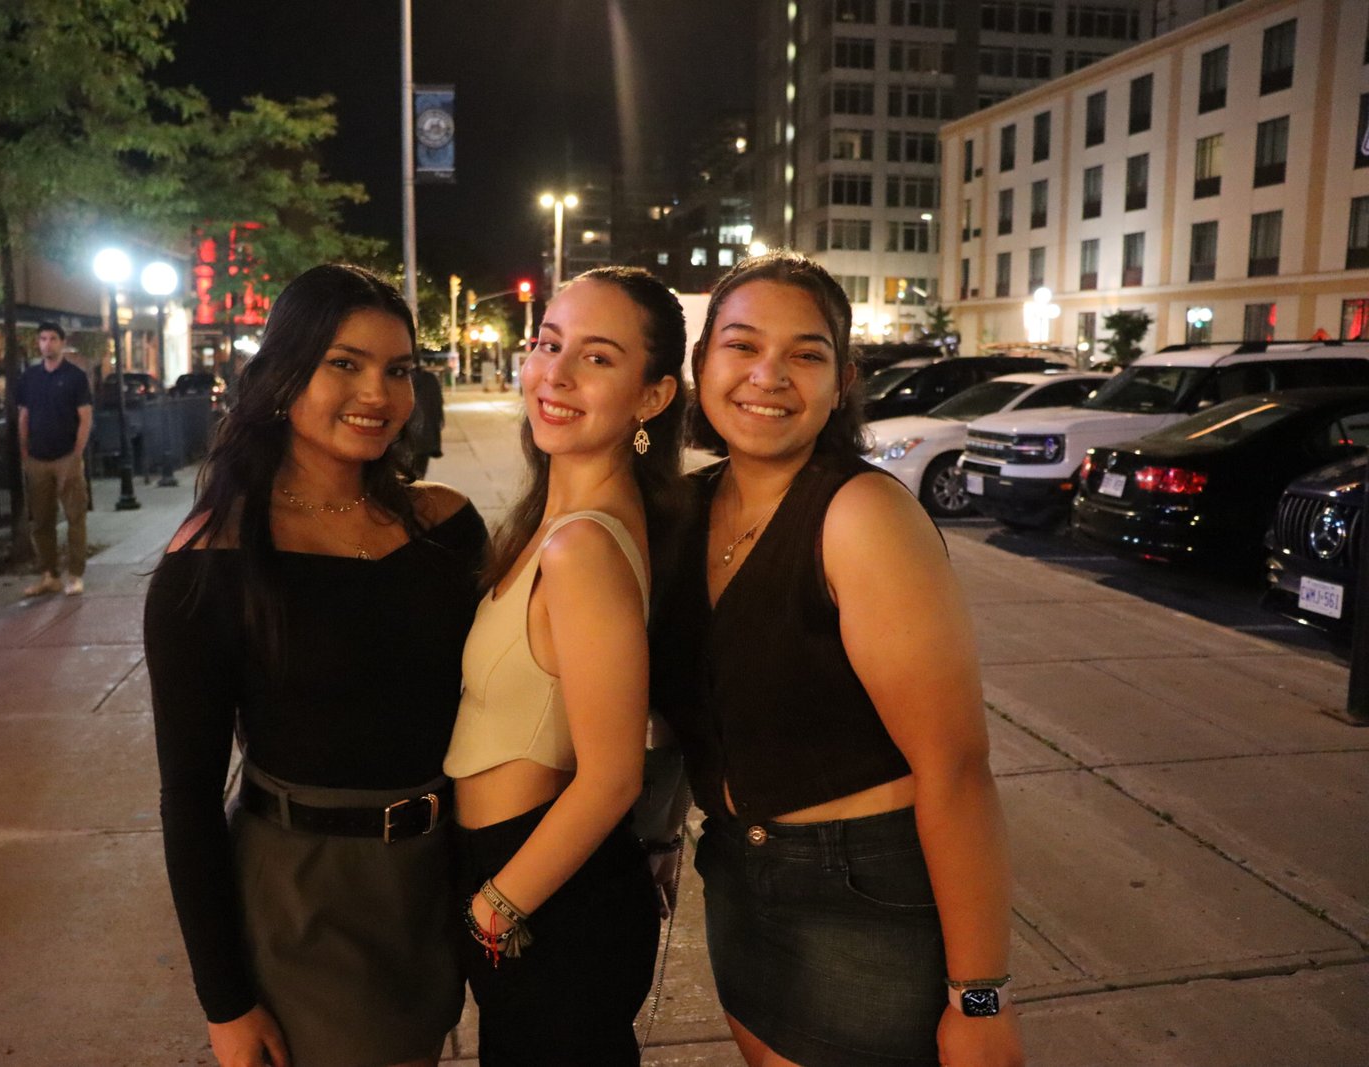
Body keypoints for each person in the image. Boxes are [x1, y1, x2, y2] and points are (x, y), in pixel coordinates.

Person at [649, 251, 1025, 1067]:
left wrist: (981, 998)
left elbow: (957, 768)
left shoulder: (860, 516)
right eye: (743, 346)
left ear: (842, 381)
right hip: (738, 875)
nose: (769, 375)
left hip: (860, 896)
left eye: (806, 354)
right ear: (703, 363)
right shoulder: (686, 510)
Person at [144, 264, 487, 1067]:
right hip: (307, 891)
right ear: (283, 377)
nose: (378, 393)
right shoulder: (213, 559)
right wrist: (225, 999)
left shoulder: (446, 525)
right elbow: (188, 797)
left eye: (398, 369)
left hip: (440, 876)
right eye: (344, 363)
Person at [443, 266, 683, 1066]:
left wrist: (495, 905)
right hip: (528, 878)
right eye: (549, 343)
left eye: (598, 357)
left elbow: (613, 775)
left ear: (652, 396)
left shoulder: (581, 547)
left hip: (546, 895)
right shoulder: (553, 522)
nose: (557, 372)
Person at [16, 321, 92, 597]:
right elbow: (24, 415)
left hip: (66, 456)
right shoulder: (30, 377)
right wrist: (24, 450)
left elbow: (85, 417)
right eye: (43, 339)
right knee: (41, 519)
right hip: (37, 457)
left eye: (52, 339)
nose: (47, 344)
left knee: (75, 516)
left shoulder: (75, 377)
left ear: (62, 342)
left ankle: (75, 573)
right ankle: (49, 574)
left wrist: (77, 453)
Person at [406, 361, 445, 478]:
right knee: (418, 475)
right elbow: (438, 407)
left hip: (403, 439)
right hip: (426, 437)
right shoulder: (430, 379)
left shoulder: (402, 378)